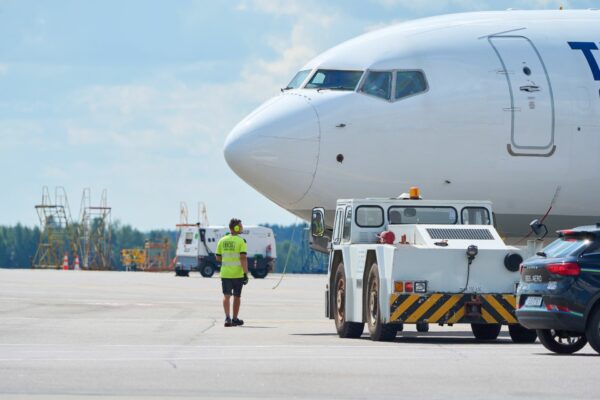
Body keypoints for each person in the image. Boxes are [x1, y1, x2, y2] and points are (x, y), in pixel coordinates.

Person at [215, 218, 249, 327]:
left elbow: (218, 258)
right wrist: (245, 273)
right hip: (238, 274)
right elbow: (243, 258)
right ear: (236, 228)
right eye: (240, 226)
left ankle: (227, 318)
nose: (242, 228)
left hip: (225, 274)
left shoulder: (222, 240)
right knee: (237, 296)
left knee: (226, 296)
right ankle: (235, 319)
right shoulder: (241, 241)